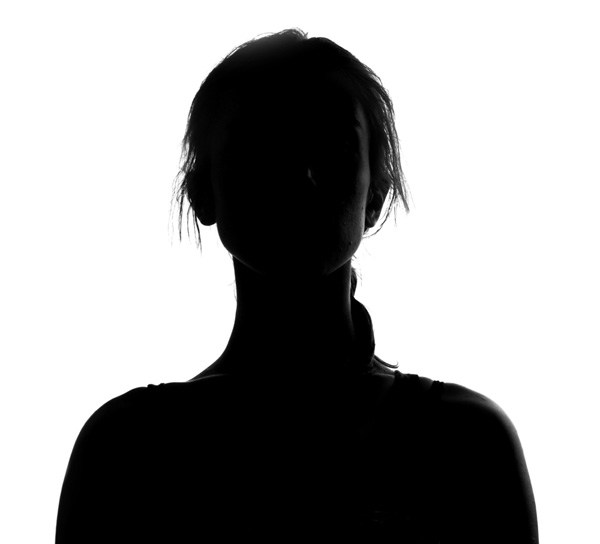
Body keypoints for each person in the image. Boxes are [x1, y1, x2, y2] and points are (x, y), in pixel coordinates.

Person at [56, 29, 539, 543]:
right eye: (260, 143)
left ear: (375, 194)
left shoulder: (467, 443)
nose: (299, 172)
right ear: (203, 190)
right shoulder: (124, 449)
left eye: (333, 144)